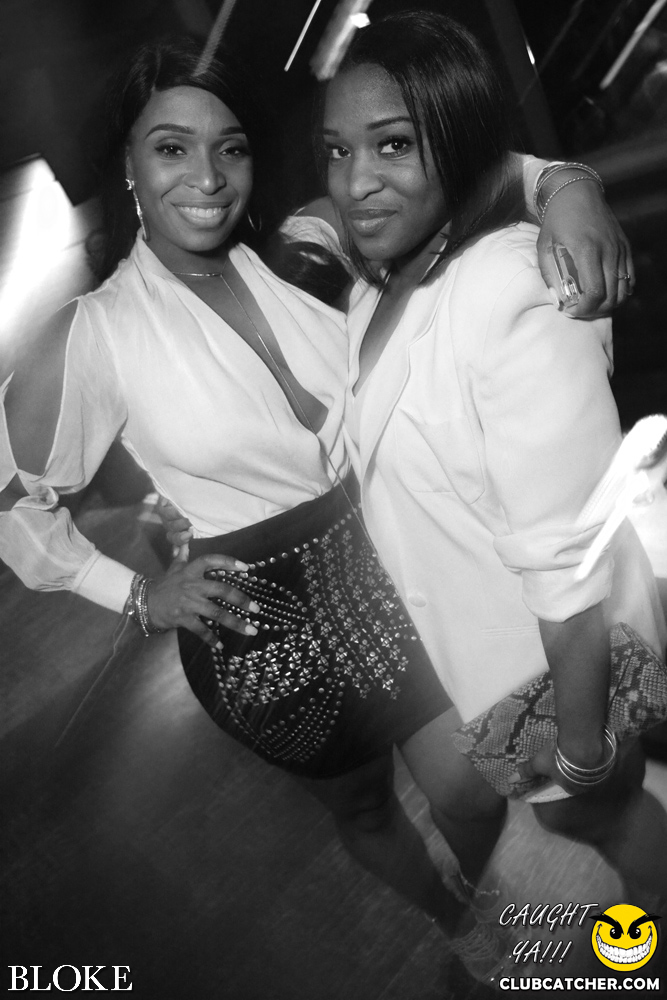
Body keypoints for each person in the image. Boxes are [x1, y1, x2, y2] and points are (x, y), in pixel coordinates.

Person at [0, 33, 642, 986]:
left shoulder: (307, 245)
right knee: (365, 809)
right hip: (262, 629)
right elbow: (12, 500)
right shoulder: (93, 334)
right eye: (170, 148)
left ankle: (494, 898)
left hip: (391, 572)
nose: (205, 177)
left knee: (468, 792)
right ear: (129, 167)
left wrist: (569, 188)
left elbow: (468, 171)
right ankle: (458, 926)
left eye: (229, 147)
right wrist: (133, 594)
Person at [310, 9, 667, 912]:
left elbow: (566, 559)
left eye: (392, 144)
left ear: (458, 140)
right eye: (338, 150)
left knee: (599, 817)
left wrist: (582, 747)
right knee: (579, 822)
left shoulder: (514, 288)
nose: (355, 181)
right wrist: (565, 179)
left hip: (561, 668)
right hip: (486, 659)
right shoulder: (378, 281)